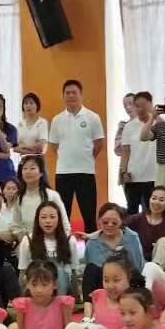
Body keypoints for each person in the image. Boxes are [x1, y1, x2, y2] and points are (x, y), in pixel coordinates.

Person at [47, 79, 104, 232]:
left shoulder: (93, 117)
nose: (71, 96)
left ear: (81, 95)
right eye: (67, 93)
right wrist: (67, 157)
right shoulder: (57, 119)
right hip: (63, 173)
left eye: (74, 93)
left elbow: (99, 143)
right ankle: (63, 246)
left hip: (86, 172)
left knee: (89, 215)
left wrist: (85, 158)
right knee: (62, 215)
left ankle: (91, 246)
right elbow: (54, 145)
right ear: (63, 96)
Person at [17, 199, 82, 298]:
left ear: (59, 219)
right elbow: (22, 272)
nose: (48, 221)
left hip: (61, 287)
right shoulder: (28, 240)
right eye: (43, 217)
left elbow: (74, 273)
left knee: (59, 271)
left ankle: (57, 303)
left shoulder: (69, 240)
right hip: (37, 286)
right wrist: (22, 297)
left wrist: (76, 296)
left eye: (52, 217)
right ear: (37, 219)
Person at [82, 203, 145, 296]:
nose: (110, 225)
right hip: (104, 287)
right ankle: (89, 304)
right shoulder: (92, 243)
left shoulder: (132, 238)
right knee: (91, 269)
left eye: (114, 223)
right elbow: (90, 273)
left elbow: (138, 267)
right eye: (105, 222)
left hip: (128, 286)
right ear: (99, 221)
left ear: (121, 222)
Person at [117, 92, 158, 216]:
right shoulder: (129, 126)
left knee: (150, 211)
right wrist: (123, 172)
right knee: (132, 211)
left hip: (153, 176)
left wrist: (155, 116)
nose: (139, 109)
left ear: (150, 105)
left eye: (143, 105)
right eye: (137, 106)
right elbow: (125, 152)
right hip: (133, 176)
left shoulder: (158, 123)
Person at [125, 185, 165, 266]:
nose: (156, 202)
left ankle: (154, 270)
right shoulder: (135, 219)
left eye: (161, 200)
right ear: (149, 200)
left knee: (164, 242)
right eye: (154, 198)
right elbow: (121, 232)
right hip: (140, 262)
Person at [12, 153, 66, 231]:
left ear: (41, 173)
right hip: (26, 238)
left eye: (32, 168)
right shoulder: (19, 197)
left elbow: (65, 224)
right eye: (25, 168)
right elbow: (15, 225)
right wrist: (20, 235)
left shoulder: (52, 195)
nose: (27, 172)